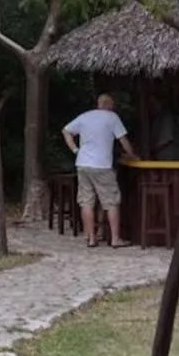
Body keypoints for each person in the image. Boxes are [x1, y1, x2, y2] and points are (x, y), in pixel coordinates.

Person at [63, 94, 138, 247]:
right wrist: (133, 156)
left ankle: (91, 238)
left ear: (98, 104)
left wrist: (76, 150)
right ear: (110, 105)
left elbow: (66, 131)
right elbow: (123, 140)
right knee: (111, 202)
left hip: (83, 164)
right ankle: (116, 239)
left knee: (86, 202)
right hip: (102, 166)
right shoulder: (112, 117)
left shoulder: (85, 116)